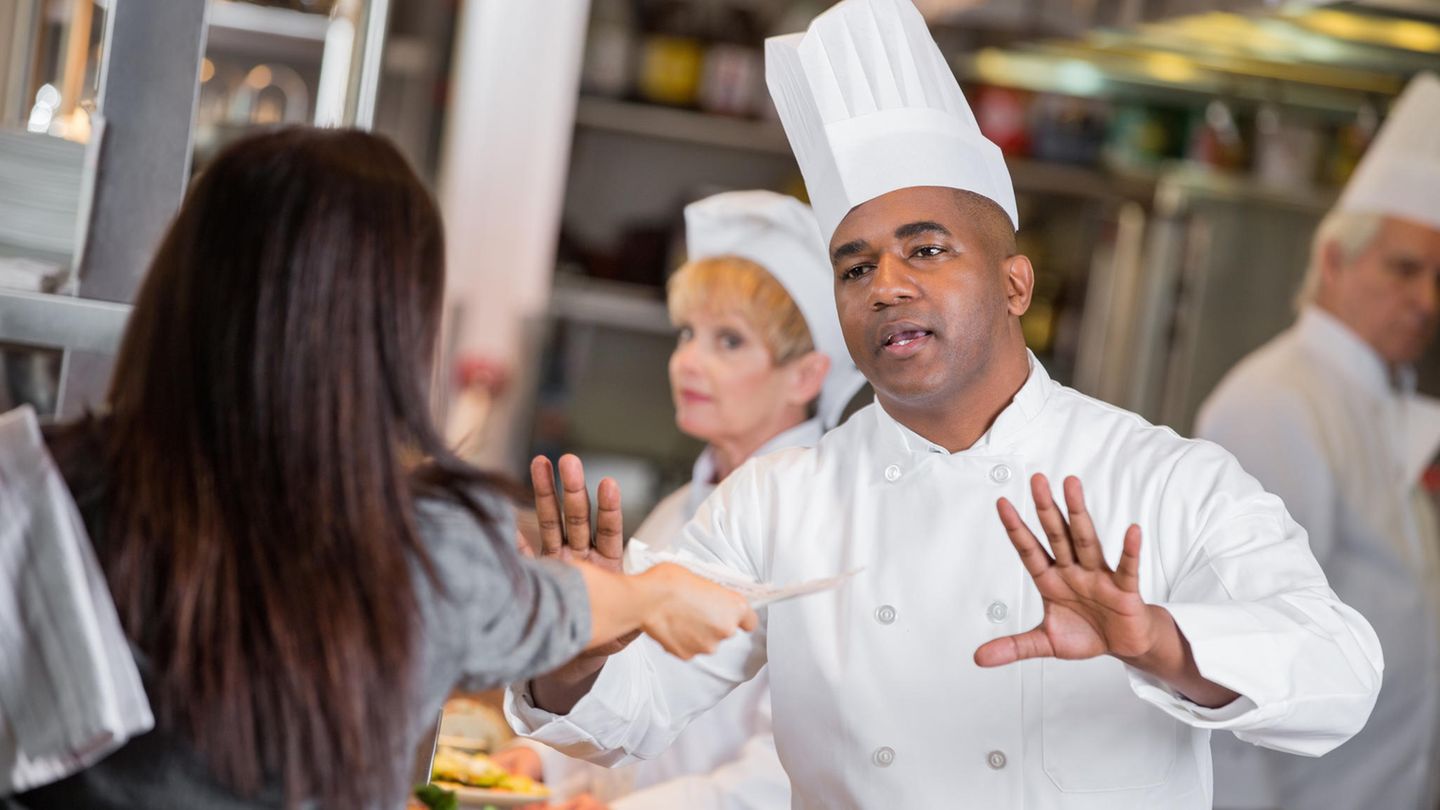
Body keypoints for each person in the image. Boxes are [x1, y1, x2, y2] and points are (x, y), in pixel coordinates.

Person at [503, 1, 1384, 808]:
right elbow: (624, 714)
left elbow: (1342, 676)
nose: (885, 286)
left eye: (925, 251)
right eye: (855, 267)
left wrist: (1157, 640)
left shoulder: (1163, 480)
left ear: (1015, 283)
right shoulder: (779, 502)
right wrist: (580, 638)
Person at [2, 128, 754, 810]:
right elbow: (557, 603)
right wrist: (653, 594)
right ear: (389, 332)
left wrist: (641, 595)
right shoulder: (418, 548)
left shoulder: (32, 481)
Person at [498, 191, 865, 809]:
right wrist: (543, 763)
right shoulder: (678, 510)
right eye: (688, 333)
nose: (688, 361)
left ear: (806, 375)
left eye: (729, 341)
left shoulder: (827, 529)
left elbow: (790, 770)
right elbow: (634, 702)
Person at [1197, 72, 1440, 810]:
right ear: (1335, 261)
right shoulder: (1277, 403)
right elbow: (1236, 664)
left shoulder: (1383, 401)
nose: (1427, 301)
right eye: (1404, 269)